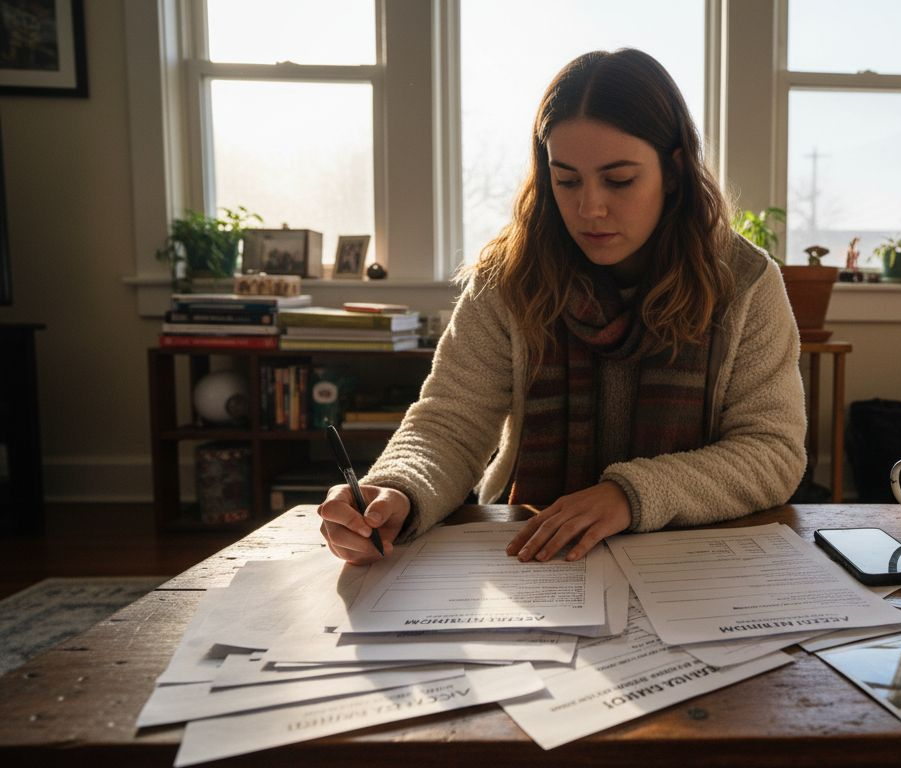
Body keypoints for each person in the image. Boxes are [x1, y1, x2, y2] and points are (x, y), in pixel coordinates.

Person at [319, 49, 807, 566]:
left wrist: (628, 496)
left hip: (695, 557)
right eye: (567, 180)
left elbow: (771, 451)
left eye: (619, 180)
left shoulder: (744, 281)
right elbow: (451, 422)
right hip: (528, 547)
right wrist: (397, 489)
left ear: (674, 170)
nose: (589, 208)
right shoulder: (509, 278)